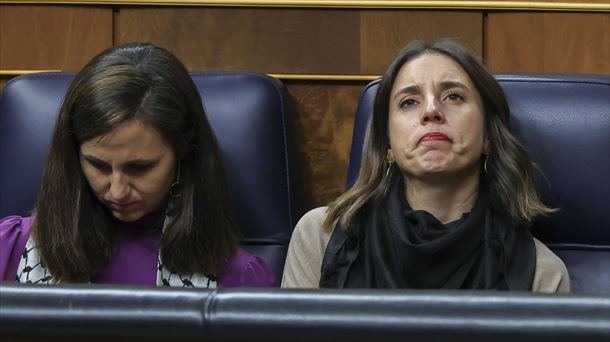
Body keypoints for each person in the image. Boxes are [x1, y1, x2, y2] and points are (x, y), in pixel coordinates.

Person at [282, 39, 569, 292]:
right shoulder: (319, 236)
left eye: (453, 96)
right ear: (387, 143)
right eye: (409, 102)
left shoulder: (542, 274)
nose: (431, 110)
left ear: (488, 137)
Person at [0, 43, 276, 287]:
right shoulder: (11, 246)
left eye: (139, 168)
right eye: (98, 165)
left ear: (183, 152)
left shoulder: (238, 278)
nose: (117, 191)